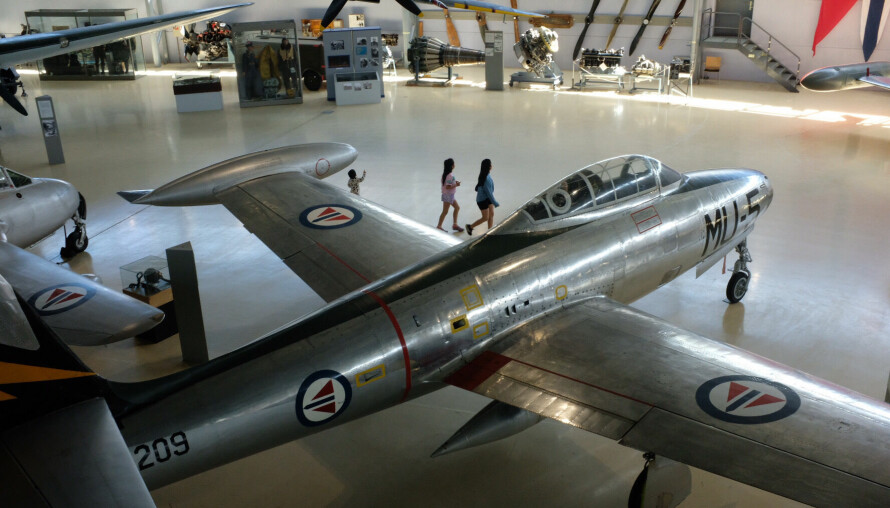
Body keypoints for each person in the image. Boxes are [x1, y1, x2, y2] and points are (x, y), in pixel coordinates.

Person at [466, 159, 498, 236]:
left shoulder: (485, 174)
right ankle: (470, 227)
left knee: (491, 214)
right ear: (489, 166)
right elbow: (488, 192)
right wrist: (495, 202)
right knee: (485, 217)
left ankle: (490, 231)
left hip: (487, 198)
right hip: (482, 200)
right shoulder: (486, 177)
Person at [436, 158, 463, 232]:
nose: (454, 165)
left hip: (449, 195)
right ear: (451, 166)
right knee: (445, 211)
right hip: (448, 195)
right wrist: (456, 185)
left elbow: (447, 184)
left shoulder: (446, 175)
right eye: (453, 164)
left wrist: (454, 182)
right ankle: (439, 226)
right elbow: (448, 187)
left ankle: (455, 224)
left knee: (457, 208)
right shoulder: (450, 175)